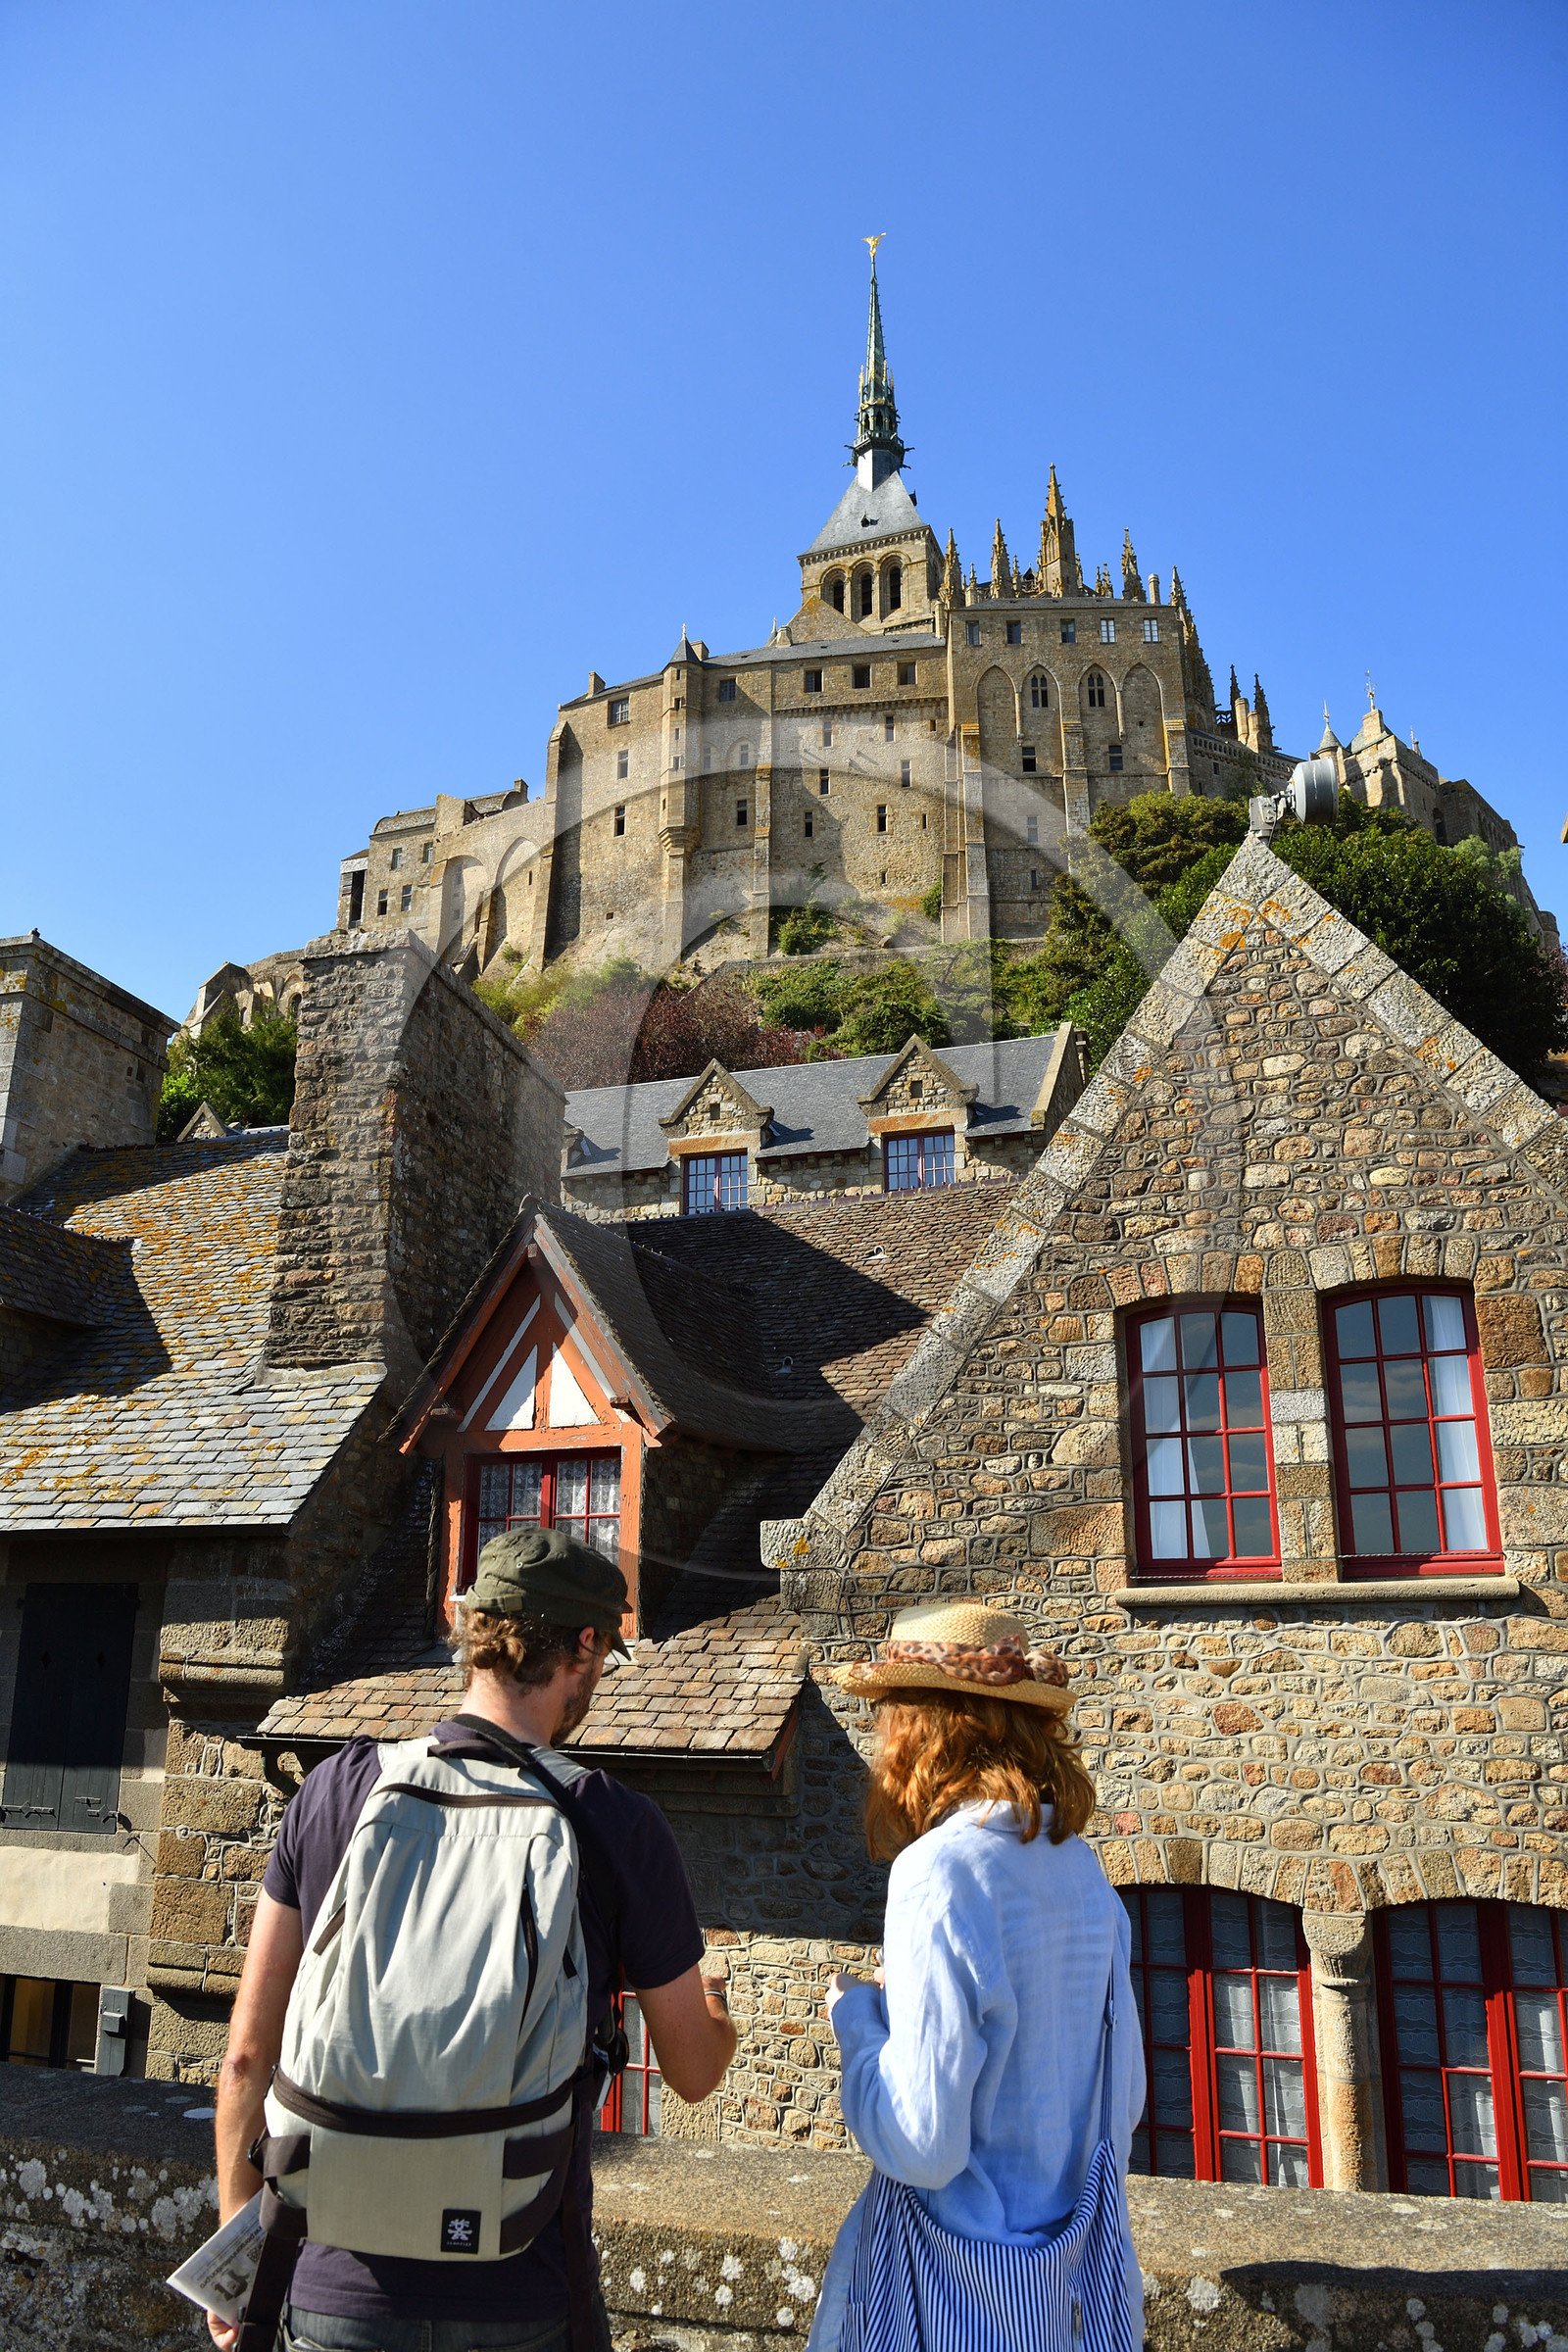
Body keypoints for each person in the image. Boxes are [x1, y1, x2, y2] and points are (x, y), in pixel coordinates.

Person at [208, 1526, 737, 2352]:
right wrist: (717, 2011)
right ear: (585, 1646)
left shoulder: (338, 1791)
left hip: (333, 2287)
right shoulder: (613, 1822)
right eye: (603, 1656)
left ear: (475, 1631)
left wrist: (236, 2253)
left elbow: (247, 2053)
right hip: (523, 2288)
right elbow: (694, 2073)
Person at [810, 1596, 1145, 2352]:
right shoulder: (1080, 1868)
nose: (879, 1738)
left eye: (887, 1715)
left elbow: (922, 2144)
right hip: (1066, 2301)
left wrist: (857, 2021)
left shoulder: (941, 1871)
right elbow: (1120, 2102)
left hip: (958, 2304)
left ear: (921, 1727)